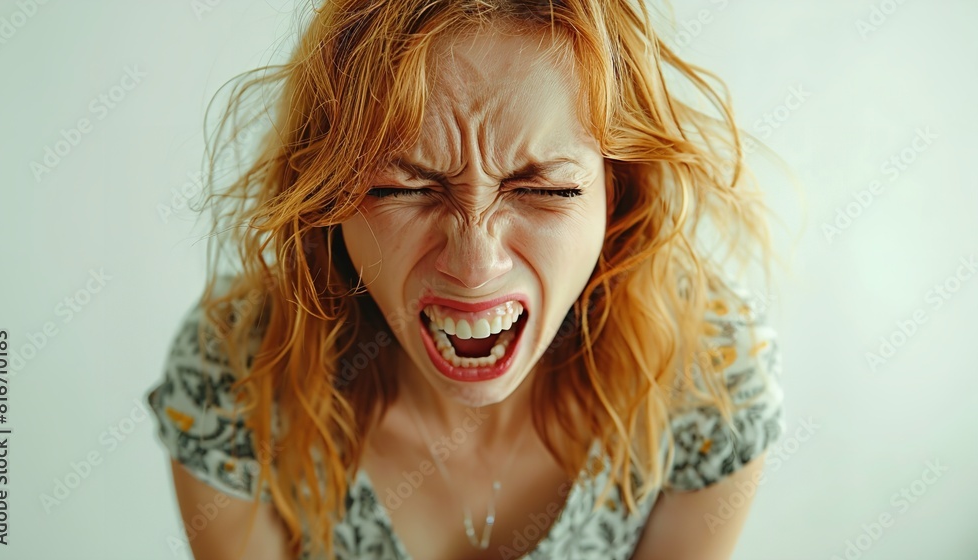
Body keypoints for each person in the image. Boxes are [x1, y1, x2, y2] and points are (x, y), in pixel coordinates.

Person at [145, 1, 787, 559]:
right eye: (404, 188)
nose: (475, 265)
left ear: (618, 194)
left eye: (546, 188)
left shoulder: (710, 382)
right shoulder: (234, 381)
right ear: (327, 202)